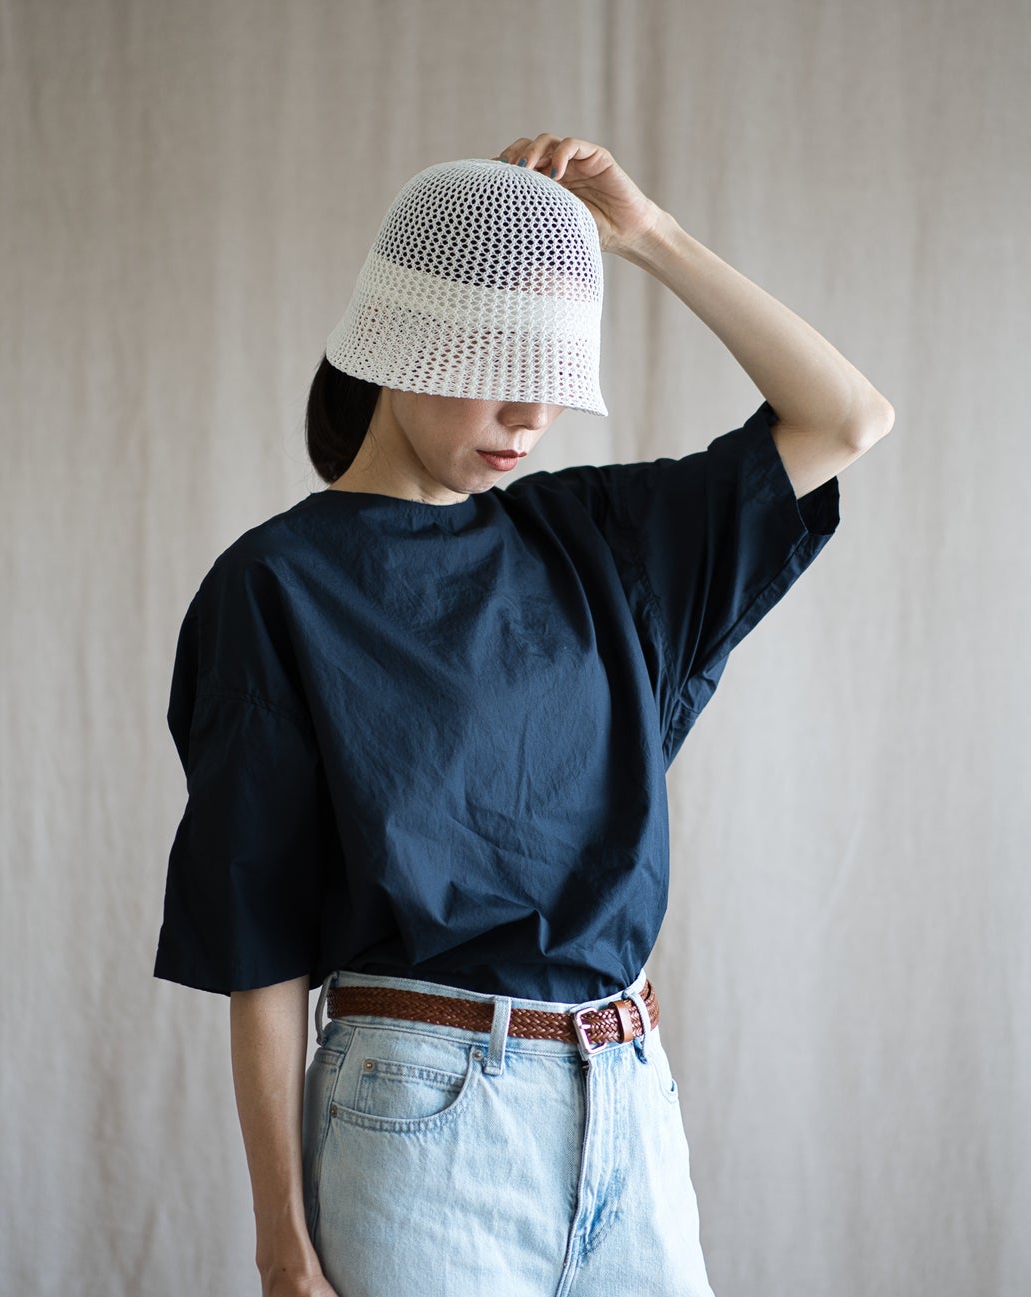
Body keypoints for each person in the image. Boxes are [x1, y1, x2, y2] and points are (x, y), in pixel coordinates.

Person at [153, 133, 895, 1297]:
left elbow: (845, 416)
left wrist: (647, 236)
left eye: (555, 369)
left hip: (629, 1103)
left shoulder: (596, 544)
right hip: (420, 1123)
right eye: (500, 361)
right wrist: (281, 1246)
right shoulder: (278, 587)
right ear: (401, 339)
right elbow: (261, 944)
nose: (531, 412)